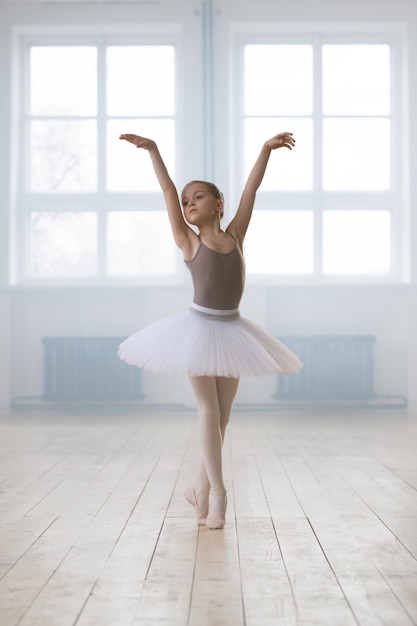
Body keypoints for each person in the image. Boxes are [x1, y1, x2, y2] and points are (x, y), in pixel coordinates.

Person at [118, 131, 302, 530]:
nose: (188, 204)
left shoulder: (235, 236)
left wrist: (265, 150)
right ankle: (218, 493)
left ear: (218, 204)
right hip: (198, 330)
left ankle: (197, 489)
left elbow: (252, 188)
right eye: (185, 202)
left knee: (223, 417)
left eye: (197, 197)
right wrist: (153, 151)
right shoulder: (188, 241)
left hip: (233, 329)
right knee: (207, 410)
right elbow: (166, 189)